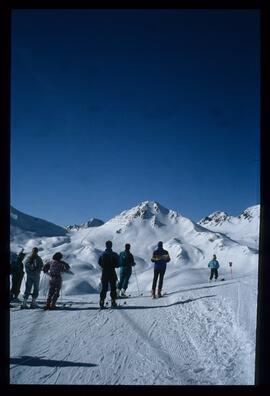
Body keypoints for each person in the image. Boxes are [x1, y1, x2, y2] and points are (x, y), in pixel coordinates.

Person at [98, 240, 119, 308]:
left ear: (106, 246)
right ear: (111, 245)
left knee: (104, 288)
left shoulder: (102, 254)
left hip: (104, 272)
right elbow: (117, 264)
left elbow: (99, 263)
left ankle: (101, 301)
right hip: (112, 272)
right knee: (113, 287)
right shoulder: (114, 254)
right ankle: (113, 301)